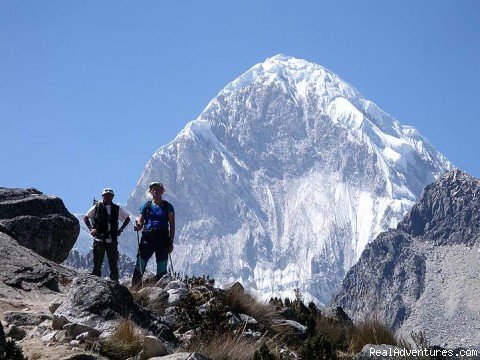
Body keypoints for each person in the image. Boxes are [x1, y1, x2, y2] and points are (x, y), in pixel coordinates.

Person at [132, 182, 175, 287]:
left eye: (157, 189)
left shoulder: (167, 206)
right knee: (141, 262)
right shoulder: (146, 206)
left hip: (162, 237)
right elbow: (141, 221)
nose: (155, 191)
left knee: (162, 263)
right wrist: (138, 225)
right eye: (153, 190)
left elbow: (172, 224)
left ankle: (159, 289)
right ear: (150, 192)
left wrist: (170, 242)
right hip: (148, 236)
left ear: (162, 191)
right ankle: (135, 288)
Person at [83, 188, 131, 282]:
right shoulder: (97, 206)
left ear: (112, 197)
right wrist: (91, 229)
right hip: (99, 238)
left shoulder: (117, 208)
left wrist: (121, 229)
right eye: (105, 195)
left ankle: (114, 281)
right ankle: (95, 281)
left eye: (109, 195)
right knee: (97, 261)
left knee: (113, 262)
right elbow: (86, 217)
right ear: (102, 197)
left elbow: (127, 218)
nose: (107, 197)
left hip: (111, 237)